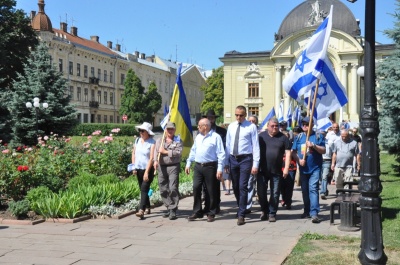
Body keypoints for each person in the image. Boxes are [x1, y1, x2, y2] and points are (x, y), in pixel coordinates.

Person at [224, 105, 260, 226]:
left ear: (245, 115)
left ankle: (241, 214)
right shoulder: (231, 126)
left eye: (241, 115)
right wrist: (226, 161)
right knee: (235, 186)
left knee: (242, 185)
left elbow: (255, 145)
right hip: (233, 159)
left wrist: (255, 164)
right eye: (237, 115)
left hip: (246, 158)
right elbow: (228, 145)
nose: (238, 117)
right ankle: (241, 207)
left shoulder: (251, 127)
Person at [185, 118, 225, 222]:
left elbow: (221, 154)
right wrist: (188, 163)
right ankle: (197, 211)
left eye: (199, 126)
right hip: (198, 166)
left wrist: (220, 169)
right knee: (196, 187)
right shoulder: (198, 137)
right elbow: (193, 151)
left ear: (205, 126)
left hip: (210, 166)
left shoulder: (216, 137)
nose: (197, 128)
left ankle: (210, 212)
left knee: (210, 190)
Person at [292, 117, 325, 224]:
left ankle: (314, 213)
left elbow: (323, 150)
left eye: (307, 124)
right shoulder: (299, 137)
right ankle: (307, 210)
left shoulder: (318, 136)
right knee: (305, 190)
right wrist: (299, 160)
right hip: (303, 168)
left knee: (313, 189)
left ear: (312, 125)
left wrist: (314, 146)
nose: (305, 126)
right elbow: (293, 152)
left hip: (315, 168)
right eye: (303, 124)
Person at [257, 118, 291, 222]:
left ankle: (272, 213)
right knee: (261, 192)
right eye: (272, 126)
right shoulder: (261, 137)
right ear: (268, 126)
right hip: (262, 170)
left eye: (276, 126)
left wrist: (286, 168)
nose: (275, 128)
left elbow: (288, 153)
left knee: (275, 193)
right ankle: (264, 210)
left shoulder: (283, 138)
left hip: (276, 171)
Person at [153, 122, 182, 220]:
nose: (170, 131)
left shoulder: (177, 140)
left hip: (173, 166)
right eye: (168, 129)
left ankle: (173, 209)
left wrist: (165, 152)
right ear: (165, 130)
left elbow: (178, 152)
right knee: (163, 188)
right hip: (162, 166)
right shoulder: (159, 141)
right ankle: (169, 207)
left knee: (173, 187)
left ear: (174, 130)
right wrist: (155, 161)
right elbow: (155, 152)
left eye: (172, 129)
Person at [203, 109, 227, 211]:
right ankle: (207, 205)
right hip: (206, 161)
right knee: (205, 185)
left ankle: (216, 204)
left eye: (212, 118)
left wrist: (224, 162)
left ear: (214, 119)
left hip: (217, 161)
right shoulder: (202, 132)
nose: (210, 120)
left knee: (215, 184)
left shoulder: (222, 132)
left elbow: (225, 147)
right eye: (209, 118)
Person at [132, 122, 156, 220]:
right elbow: (133, 153)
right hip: (138, 168)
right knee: (142, 189)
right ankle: (148, 206)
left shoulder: (152, 142)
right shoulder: (137, 140)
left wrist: (147, 172)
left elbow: (151, 158)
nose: (141, 132)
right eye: (140, 130)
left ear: (148, 132)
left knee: (144, 189)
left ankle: (141, 210)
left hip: (148, 169)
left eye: (143, 131)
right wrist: (133, 167)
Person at [246, 115, 259, 213]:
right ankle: (247, 205)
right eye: (249, 120)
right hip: (249, 161)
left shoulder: (261, 133)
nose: (251, 122)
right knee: (249, 183)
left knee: (259, 183)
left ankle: (259, 198)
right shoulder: (245, 131)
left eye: (253, 121)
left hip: (259, 162)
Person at [320, 130, 333, 200]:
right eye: (320, 134)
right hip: (319, 161)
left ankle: (322, 192)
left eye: (323, 134)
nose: (322, 135)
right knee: (320, 178)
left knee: (324, 177)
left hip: (327, 161)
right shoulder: (317, 142)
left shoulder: (330, 142)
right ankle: (325, 189)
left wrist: (333, 163)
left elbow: (334, 152)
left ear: (325, 135)